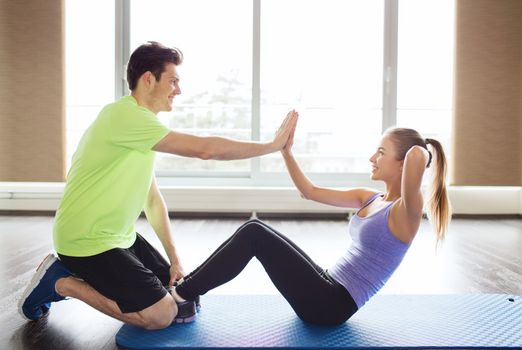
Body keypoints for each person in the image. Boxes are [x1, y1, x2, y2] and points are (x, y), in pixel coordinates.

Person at [17, 41, 297, 330]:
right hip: (85, 241)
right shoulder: (123, 116)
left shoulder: (143, 128)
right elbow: (206, 150)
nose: (178, 90)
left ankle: (86, 278)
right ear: (148, 79)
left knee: (183, 300)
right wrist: (271, 146)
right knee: (161, 315)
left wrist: (175, 260)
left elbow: (151, 201)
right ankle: (61, 281)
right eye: (173, 81)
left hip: (119, 238)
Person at [170, 123, 451, 325]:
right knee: (256, 229)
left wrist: (421, 148)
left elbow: (416, 156)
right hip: (328, 284)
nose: (372, 158)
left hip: (331, 306)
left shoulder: (407, 211)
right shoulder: (370, 198)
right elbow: (310, 191)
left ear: (402, 164)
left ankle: (182, 293)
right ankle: (188, 290)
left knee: (254, 234)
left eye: (381, 152)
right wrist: (286, 151)